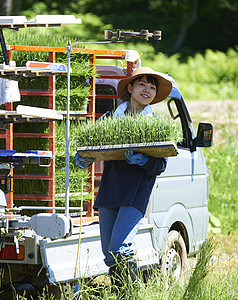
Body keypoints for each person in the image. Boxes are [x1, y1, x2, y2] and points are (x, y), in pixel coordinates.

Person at [75, 67, 172, 293]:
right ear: (130, 88)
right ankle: (121, 294)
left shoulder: (155, 125)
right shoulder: (110, 119)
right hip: (110, 190)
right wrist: (84, 158)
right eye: (142, 84)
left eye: (152, 87)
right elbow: (92, 147)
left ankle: (131, 294)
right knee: (109, 254)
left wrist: (142, 160)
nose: (147, 90)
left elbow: (161, 165)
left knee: (121, 247)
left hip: (136, 192)